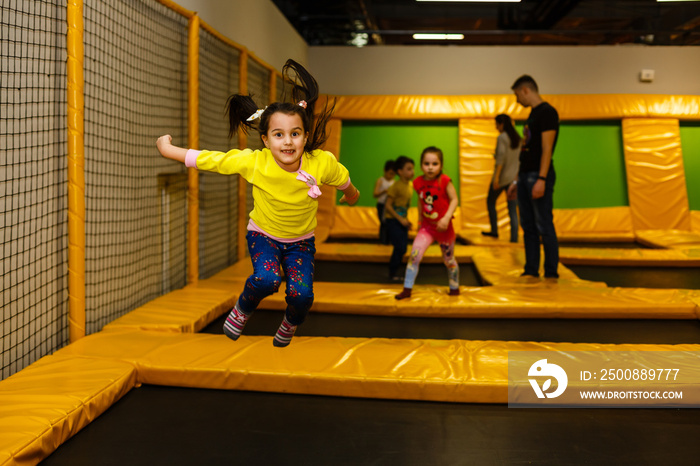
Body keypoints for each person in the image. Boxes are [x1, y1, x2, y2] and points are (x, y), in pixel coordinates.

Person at [156, 59, 360, 347]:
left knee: (302, 297)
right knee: (267, 279)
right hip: (263, 235)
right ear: (265, 139)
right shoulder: (254, 162)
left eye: (295, 134)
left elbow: (343, 180)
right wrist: (168, 149)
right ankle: (243, 308)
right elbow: (211, 160)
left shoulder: (321, 163)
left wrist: (351, 194)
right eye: (278, 135)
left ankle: (290, 321)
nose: (287, 142)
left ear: (305, 136)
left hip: (301, 242)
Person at [510, 75, 559, 278]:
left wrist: (542, 179)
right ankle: (531, 270)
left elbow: (547, 149)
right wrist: (516, 179)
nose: (517, 100)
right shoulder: (532, 115)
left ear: (525, 90)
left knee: (543, 224)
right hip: (524, 175)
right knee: (528, 226)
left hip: (537, 176)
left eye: (517, 95)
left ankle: (550, 272)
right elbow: (526, 150)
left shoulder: (547, 113)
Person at [395, 147, 459, 299]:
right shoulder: (417, 182)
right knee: (414, 256)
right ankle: (407, 289)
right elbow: (420, 201)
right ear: (421, 165)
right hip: (427, 228)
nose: (430, 167)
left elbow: (454, 199)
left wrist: (446, 217)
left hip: (444, 228)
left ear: (441, 165)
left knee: (449, 260)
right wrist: (419, 219)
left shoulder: (444, 181)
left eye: (435, 164)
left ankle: (454, 287)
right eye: (426, 163)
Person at [482, 114, 520, 243]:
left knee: (490, 202)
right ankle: (514, 238)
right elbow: (517, 160)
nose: (496, 127)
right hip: (513, 179)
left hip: (502, 178)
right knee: (512, 209)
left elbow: (501, 160)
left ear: (502, 124)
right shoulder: (518, 138)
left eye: (497, 124)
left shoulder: (502, 138)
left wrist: (496, 179)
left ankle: (494, 231)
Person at [384, 156, 414, 281]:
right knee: (400, 247)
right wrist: (400, 219)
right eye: (409, 169)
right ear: (400, 171)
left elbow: (403, 207)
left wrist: (406, 220)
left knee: (403, 248)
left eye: (413, 169)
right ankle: (392, 274)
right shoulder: (396, 186)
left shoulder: (410, 185)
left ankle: (394, 272)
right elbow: (388, 206)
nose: (412, 172)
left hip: (402, 221)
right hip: (393, 221)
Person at [373, 160, 396, 244]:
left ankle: (389, 242)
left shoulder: (394, 182)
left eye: (393, 174)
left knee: (390, 224)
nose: (391, 176)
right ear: (385, 171)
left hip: (390, 206)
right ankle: (382, 242)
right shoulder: (381, 180)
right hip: (382, 205)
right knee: (383, 223)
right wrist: (384, 191)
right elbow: (375, 194)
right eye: (390, 173)